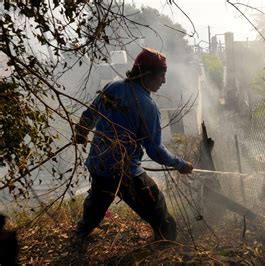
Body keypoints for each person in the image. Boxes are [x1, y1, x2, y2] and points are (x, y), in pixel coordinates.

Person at [72, 48, 193, 242]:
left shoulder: (113, 87)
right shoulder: (148, 107)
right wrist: (180, 164)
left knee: (97, 201)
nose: (164, 81)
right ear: (147, 74)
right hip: (126, 172)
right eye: (161, 76)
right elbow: (155, 151)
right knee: (157, 208)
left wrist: (81, 132)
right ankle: (167, 245)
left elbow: (90, 114)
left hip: (99, 164)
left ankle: (81, 234)